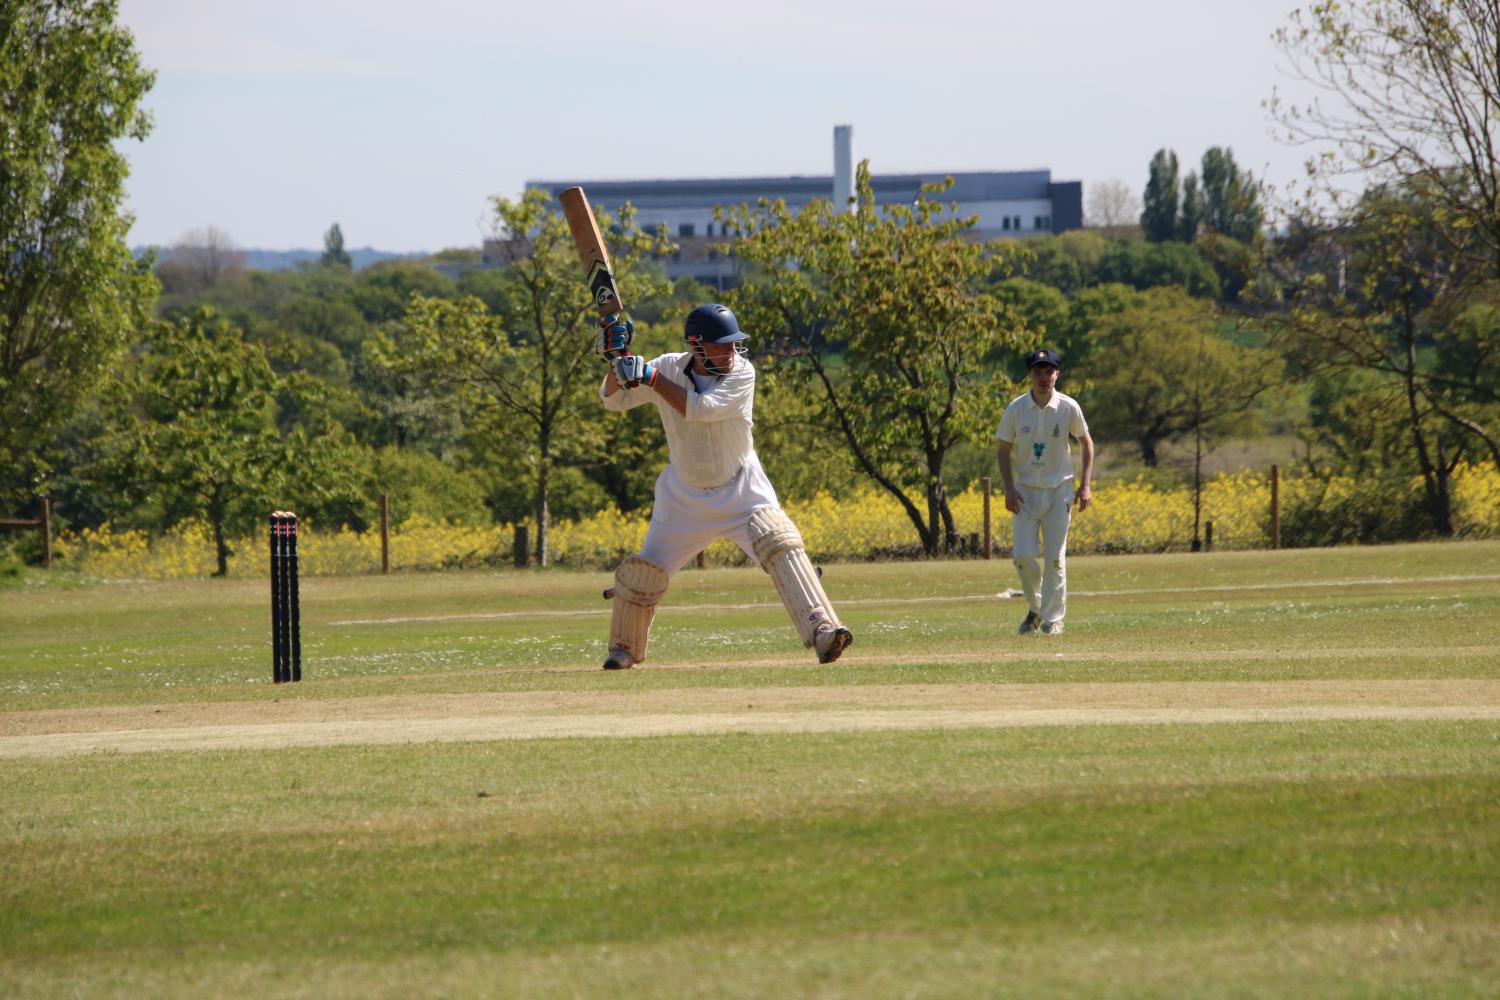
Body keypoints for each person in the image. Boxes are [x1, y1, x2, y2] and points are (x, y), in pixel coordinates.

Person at [593, 303, 854, 670]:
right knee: (642, 573)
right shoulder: (668, 366)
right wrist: (616, 363)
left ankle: (824, 631)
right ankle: (623, 649)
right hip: (682, 498)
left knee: (780, 543)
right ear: (697, 346)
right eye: (723, 344)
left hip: (741, 489)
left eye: (734, 343)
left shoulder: (742, 372)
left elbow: (701, 408)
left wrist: (648, 376)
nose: (732, 351)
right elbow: (614, 400)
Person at [994, 348, 1094, 636]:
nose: (1043, 377)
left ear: (1057, 374)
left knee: (1054, 558)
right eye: (1038, 371)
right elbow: (1003, 449)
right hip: (1025, 492)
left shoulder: (1068, 407)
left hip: (1059, 491)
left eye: (1048, 371)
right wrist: (1009, 487)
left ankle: (1053, 619)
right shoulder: (1016, 408)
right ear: (1030, 374)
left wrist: (1085, 484)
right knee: (1022, 555)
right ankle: (1036, 607)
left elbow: (1086, 442)